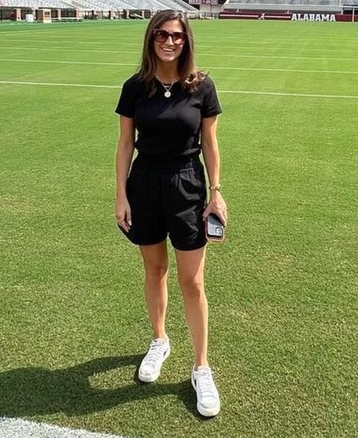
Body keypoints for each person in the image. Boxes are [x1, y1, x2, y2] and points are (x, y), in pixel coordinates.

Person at [114, 10, 227, 417]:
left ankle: (201, 367)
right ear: (151, 38)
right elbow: (126, 144)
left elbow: (210, 144)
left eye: (177, 35)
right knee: (154, 270)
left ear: (187, 41)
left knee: (192, 281)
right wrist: (121, 194)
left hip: (187, 186)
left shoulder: (202, 86)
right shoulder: (135, 87)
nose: (169, 41)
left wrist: (216, 193)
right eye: (161, 34)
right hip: (144, 184)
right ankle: (160, 340)